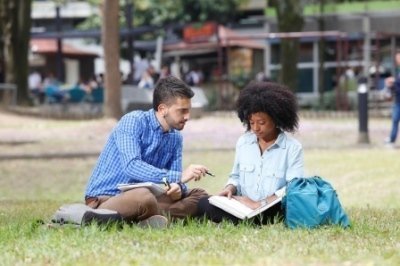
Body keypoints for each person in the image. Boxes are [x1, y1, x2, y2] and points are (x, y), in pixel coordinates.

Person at [84, 76, 209, 228]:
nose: (187, 117)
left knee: (200, 195)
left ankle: (148, 219)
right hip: (107, 198)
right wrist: (179, 177)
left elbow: (175, 181)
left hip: (150, 199)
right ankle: (156, 217)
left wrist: (178, 188)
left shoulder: (176, 137)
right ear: (162, 109)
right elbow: (132, 166)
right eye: (182, 111)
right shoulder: (133, 121)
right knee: (143, 196)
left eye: (188, 111)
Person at [197, 81, 304, 225]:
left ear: (276, 118)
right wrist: (230, 188)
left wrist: (261, 204)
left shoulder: (293, 148)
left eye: (261, 122)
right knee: (204, 203)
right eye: (251, 122)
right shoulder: (243, 142)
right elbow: (235, 176)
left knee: (286, 207)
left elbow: (293, 187)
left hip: (272, 208)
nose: (255, 128)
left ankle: (246, 221)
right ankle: (247, 220)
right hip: (244, 206)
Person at [384, 51, 400, 148]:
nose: (397, 60)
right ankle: (392, 138)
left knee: (395, 119)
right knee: (395, 120)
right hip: (398, 101)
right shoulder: (398, 70)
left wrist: (393, 83)